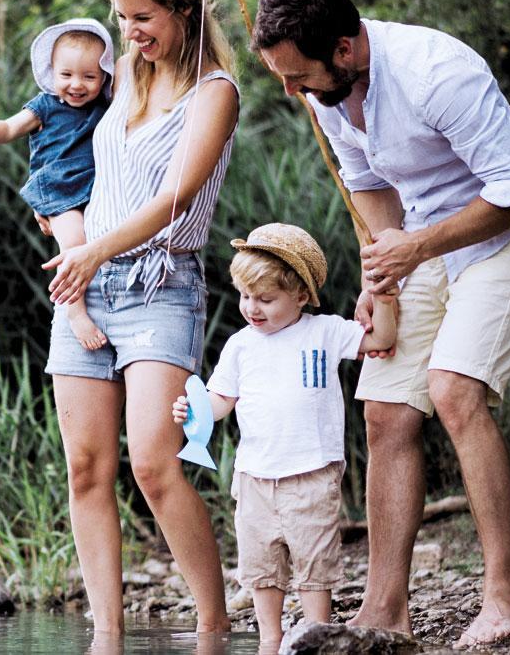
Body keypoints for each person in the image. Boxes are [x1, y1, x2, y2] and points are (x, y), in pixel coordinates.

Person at [249, 0, 510, 648]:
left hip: (506, 233)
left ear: (345, 48)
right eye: (282, 77)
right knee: (386, 408)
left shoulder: (434, 73)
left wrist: (415, 245)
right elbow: (369, 187)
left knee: (452, 390)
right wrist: (380, 271)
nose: (291, 90)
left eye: (298, 75)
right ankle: (385, 610)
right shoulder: (327, 94)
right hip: (422, 242)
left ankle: (504, 599)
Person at [37, 0, 240, 636]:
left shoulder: (216, 93)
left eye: (144, 17)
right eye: (124, 18)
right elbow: (66, 138)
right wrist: (58, 211)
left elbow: (176, 199)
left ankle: (214, 626)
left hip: (162, 284)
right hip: (86, 287)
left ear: (184, 8)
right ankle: (106, 635)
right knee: (86, 468)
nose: (130, 33)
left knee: (155, 463)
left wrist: (92, 252)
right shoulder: (123, 70)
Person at [170, 223, 396, 653]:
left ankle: (316, 633)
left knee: (315, 560)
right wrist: (193, 410)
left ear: (301, 296)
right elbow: (220, 399)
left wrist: (384, 297)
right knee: (261, 565)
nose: (252, 308)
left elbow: (381, 338)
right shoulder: (241, 345)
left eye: (266, 299)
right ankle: (269, 638)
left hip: (311, 473)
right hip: (255, 477)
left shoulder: (324, 331)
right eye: (246, 296)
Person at [0, 19, 117, 350]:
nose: (77, 84)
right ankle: (74, 312)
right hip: (58, 188)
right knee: (74, 242)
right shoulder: (45, 105)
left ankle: (107, 300)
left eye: (89, 76)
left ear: (103, 75)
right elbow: (10, 127)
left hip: (96, 188)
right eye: (66, 75)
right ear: (52, 72)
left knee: (102, 239)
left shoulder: (106, 107)